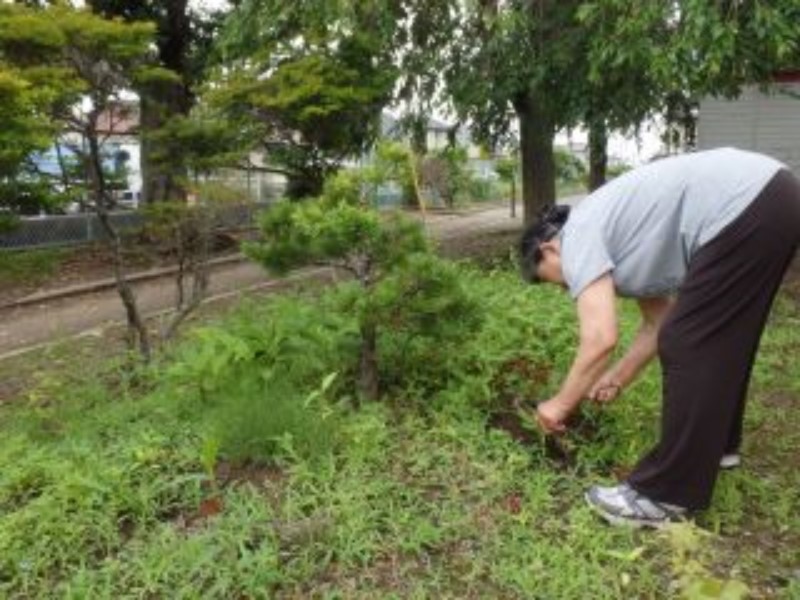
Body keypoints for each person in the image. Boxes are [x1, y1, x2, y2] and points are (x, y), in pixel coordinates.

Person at [519, 147, 800, 528]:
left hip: (746, 201)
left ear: (549, 249)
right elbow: (659, 322)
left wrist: (558, 405)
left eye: (552, 280)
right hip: (771, 197)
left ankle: (665, 495)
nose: (565, 288)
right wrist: (617, 378)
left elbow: (600, 338)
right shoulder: (618, 242)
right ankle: (717, 447)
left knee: (687, 342)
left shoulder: (577, 234)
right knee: (722, 340)